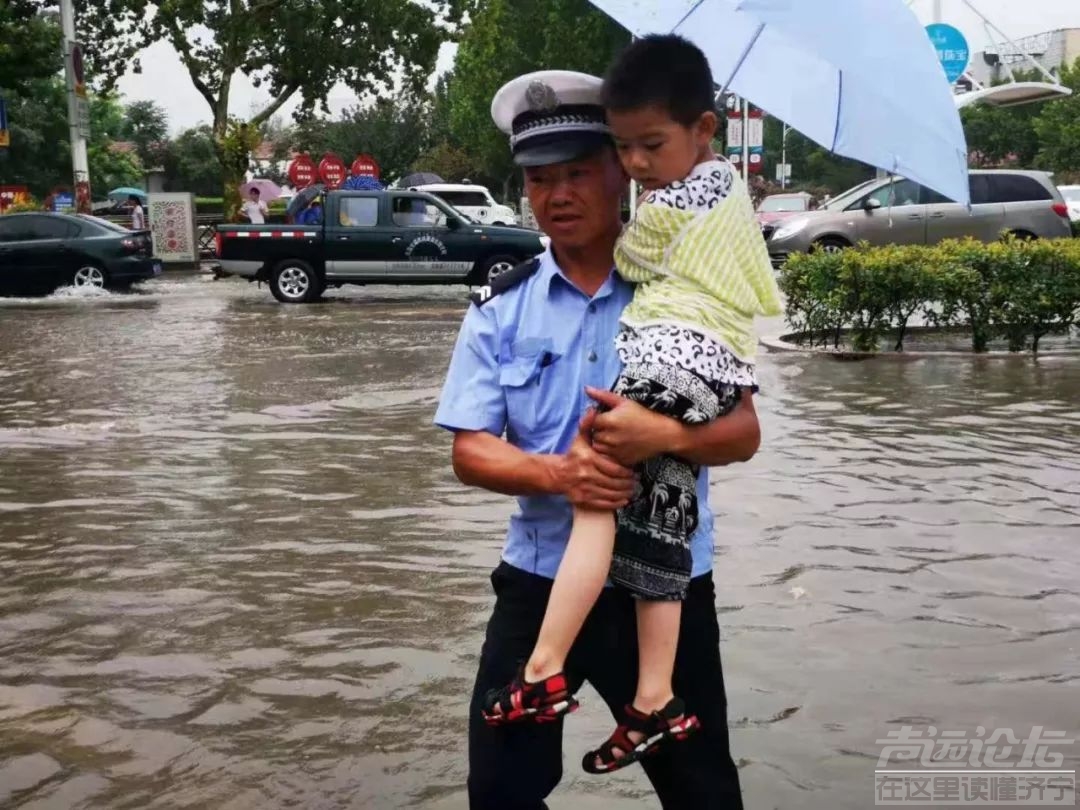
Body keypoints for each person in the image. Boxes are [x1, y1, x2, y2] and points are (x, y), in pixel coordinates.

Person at [434, 68, 759, 809]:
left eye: (579, 172)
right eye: (540, 179)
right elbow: (468, 451)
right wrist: (561, 477)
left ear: (622, 170)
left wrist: (664, 432)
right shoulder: (499, 309)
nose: (558, 195)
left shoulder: (685, 294)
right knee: (500, 792)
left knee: (704, 791)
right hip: (539, 579)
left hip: (668, 586)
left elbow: (742, 433)